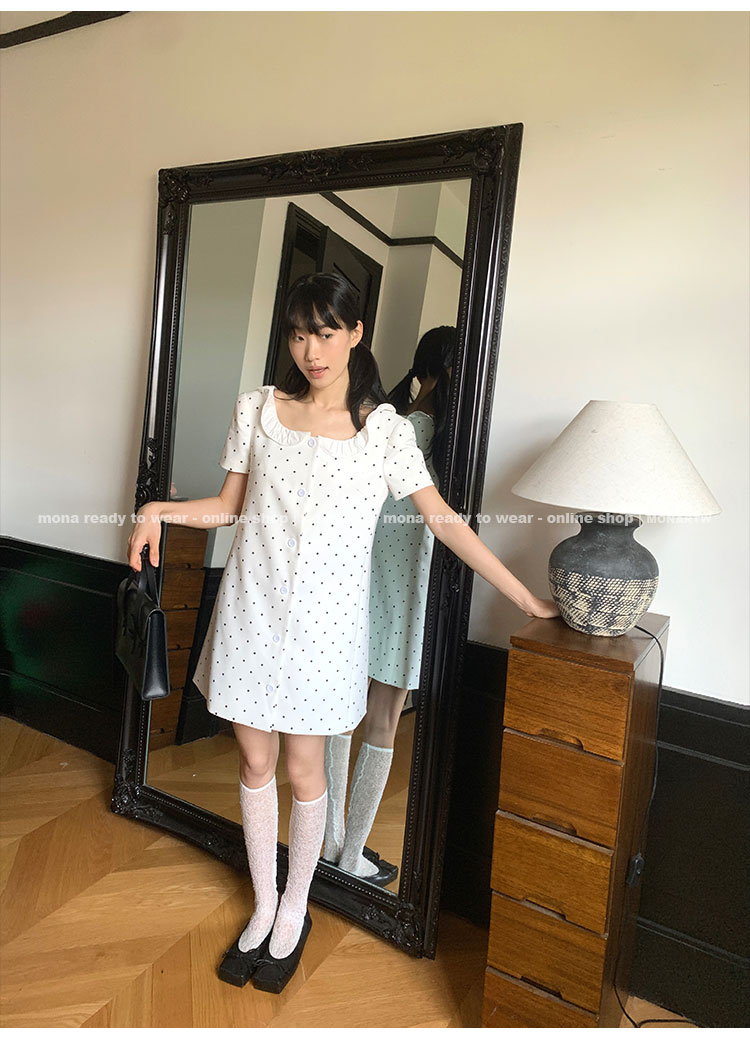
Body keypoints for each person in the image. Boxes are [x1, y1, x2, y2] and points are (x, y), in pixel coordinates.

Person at [127, 272, 558, 994]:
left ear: (356, 333)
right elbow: (229, 507)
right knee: (254, 763)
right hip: (250, 612)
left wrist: (523, 596)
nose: (312, 351)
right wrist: (156, 510)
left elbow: (442, 519)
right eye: (299, 334)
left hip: (327, 633)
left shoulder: (386, 432)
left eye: (326, 333)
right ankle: (265, 901)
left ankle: (296, 905)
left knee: (305, 770)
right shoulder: (258, 409)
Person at [323, 325, 455, 883]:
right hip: (402, 596)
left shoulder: (397, 425)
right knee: (380, 723)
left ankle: (332, 842)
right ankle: (349, 853)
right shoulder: (428, 436)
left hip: (362, 586)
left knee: (341, 715)